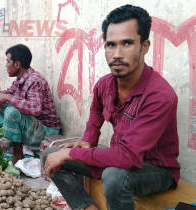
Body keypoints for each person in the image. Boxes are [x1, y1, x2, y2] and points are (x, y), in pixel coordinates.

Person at [42, 5, 181, 210]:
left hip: (157, 169)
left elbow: (128, 157)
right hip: (119, 157)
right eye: (110, 44)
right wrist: (88, 140)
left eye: (127, 43)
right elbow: (97, 111)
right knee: (50, 154)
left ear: (145, 46)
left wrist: (72, 154)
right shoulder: (105, 85)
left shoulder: (160, 96)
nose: (116, 54)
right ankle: (87, 207)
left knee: (114, 176)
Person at [0, 44, 61, 164]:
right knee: (1, 104)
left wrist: (8, 97)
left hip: (47, 131)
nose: (5, 65)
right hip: (33, 126)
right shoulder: (20, 80)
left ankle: (19, 155)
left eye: (8, 61)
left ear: (17, 64)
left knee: (11, 112)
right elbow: (8, 92)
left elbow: (35, 109)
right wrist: (0, 97)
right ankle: (3, 140)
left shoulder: (34, 80)